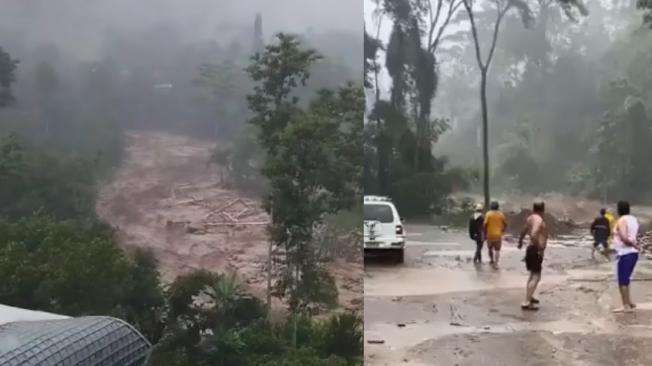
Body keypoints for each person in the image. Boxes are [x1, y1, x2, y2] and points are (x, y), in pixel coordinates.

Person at [518, 201, 547, 311]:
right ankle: (526, 301)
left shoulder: (530, 218)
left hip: (530, 248)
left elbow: (524, 230)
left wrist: (520, 241)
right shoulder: (539, 220)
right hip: (535, 250)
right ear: (543, 209)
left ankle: (530, 296)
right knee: (536, 276)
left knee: (532, 275)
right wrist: (539, 247)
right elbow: (534, 233)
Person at [611, 200, 640, 313]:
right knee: (626, 279)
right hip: (632, 254)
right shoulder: (633, 219)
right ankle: (629, 302)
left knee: (622, 280)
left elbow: (623, 236)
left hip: (625, 253)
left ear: (619, 209)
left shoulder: (622, 220)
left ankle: (625, 305)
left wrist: (633, 244)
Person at [484, 201, 506, 268]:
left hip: (490, 234)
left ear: (491, 207)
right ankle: (496, 264)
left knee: (490, 248)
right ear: (498, 207)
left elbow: (485, 224)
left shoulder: (488, 214)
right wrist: (503, 230)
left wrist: (484, 233)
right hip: (498, 235)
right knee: (497, 250)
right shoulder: (501, 214)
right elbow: (505, 224)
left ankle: (491, 260)